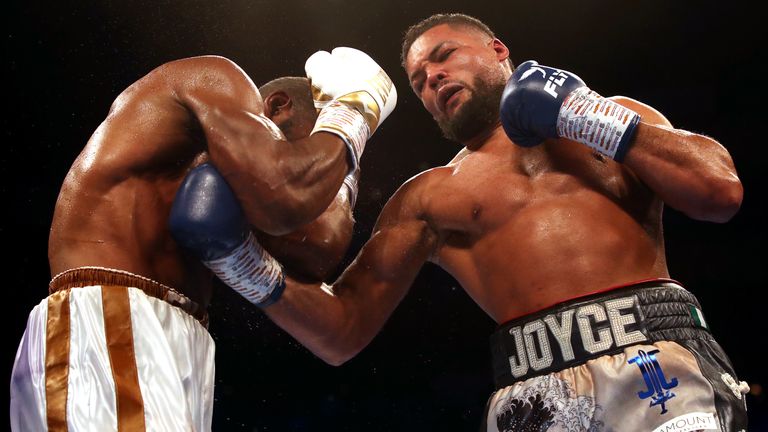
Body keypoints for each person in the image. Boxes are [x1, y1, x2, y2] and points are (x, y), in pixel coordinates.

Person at [173, 13, 749, 432]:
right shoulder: (427, 197)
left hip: (656, 356)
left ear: (499, 50)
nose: (431, 79)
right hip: (534, 392)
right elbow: (343, 329)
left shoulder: (604, 115)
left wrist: (580, 115)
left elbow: (719, 191)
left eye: (443, 56)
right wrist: (239, 261)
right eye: (419, 79)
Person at [10, 49, 396, 431]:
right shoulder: (211, 78)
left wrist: (347, 152)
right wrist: (352, 112)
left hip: (169, 337)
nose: (318, 165)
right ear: (277, 107)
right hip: (110, 320)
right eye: (312, 147)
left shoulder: (230, 187)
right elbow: (291, 191)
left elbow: (321, 246)